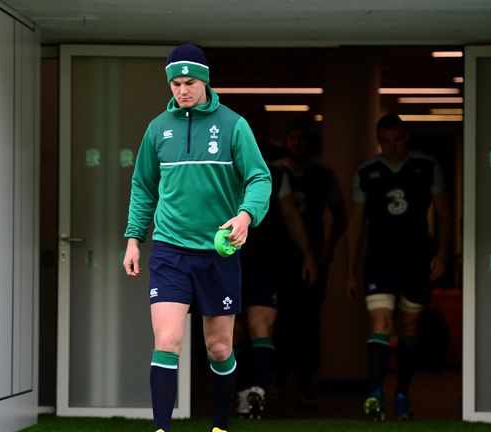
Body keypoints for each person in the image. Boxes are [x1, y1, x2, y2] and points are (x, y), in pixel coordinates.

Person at [122, 44, 271, 432]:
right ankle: (161, 429)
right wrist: (134, 238)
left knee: (219, 348)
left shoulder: (234, 125)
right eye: (175, 83)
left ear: (204, 81)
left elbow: (259, 178)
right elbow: (143, 187)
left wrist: (244, 215)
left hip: (218, 253)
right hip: (170, 250)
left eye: (189, 82)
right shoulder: (157, 129)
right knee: (167, 340)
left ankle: (220, 426)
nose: (182, 90)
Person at [345, 114, 450, 421]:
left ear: (407, 138)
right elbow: (356, 223)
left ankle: (402, 393)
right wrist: (350, 269)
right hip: (380, 259)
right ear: (379, 141)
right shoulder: (367, 172)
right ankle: (376, 394)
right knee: (381, 321)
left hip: (417, 258)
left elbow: (444, 212)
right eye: (385, 141)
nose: (392, 147)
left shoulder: (427, 167)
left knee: (409, 327)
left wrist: (443, 251)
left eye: (397, 140)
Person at [234, 161, 318, 419]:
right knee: (232, 332)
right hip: (227, 257)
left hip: (265, 259)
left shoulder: (276, 173)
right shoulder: (216, 164)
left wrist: (308, 255)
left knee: (261, 326)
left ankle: (258, 392)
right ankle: (241, 394)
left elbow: (291, 215)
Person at [272, 122, 347, 408]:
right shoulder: (275, 170)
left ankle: (305, 382)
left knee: (307, 322)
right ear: (285, 142)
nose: (296, 143)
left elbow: (341, 214)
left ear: (309, 142)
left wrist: (328, 248)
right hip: (279, 257)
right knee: (279, 320)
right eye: (292, 137)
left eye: (301, 138)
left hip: (314, 257)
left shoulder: (323, 174)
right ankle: (278, 379)